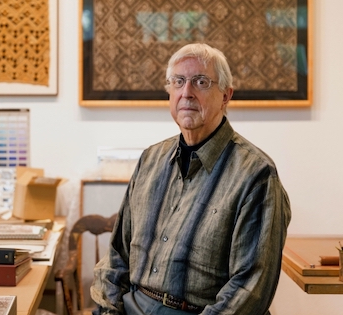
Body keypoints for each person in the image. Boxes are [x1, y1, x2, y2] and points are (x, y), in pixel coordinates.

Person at [90, 43, 291, 315]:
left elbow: (249, 290)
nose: (187, 93)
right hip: (132, 306)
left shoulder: (256, 175)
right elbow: (117, 256)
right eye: (179, 82)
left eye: (201, 82)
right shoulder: (150, 160)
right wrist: (108, 310)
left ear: (225, 96)